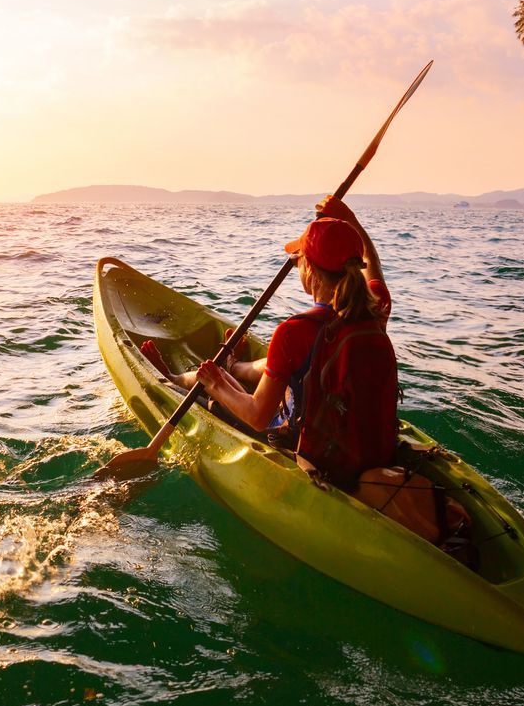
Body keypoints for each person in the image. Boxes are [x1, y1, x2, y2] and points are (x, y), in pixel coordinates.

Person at [140, 197, 399, 488]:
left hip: (311, 456)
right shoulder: (376, 308)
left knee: (218, 380)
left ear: (310, 271)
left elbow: (257, 417)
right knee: (268, 379)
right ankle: (232, 367)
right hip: (369, 452)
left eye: (299, 259)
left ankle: (174, 379)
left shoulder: (294, 331)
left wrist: (215, 383)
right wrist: (351, 220)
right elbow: (373, 265)